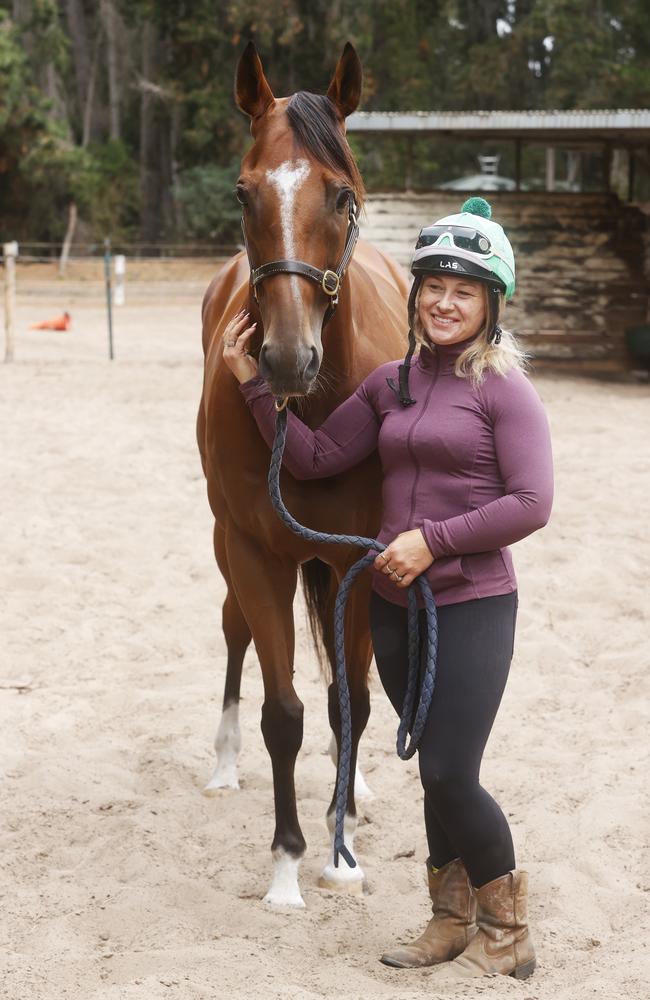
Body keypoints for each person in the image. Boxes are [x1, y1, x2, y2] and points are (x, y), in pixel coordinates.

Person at [222, 197, 553, 981]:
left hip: (471, 603)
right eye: (433, 285)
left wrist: (428, 541)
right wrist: (254, 388)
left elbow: (532, 504)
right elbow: (311, 458)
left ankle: (508, 930)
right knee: (432, 765)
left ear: (491, 304)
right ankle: (449, 918)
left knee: (447, 772)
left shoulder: (505, 392)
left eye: (464, 290)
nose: (444, 301)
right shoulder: (391, 384)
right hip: (397, 608)